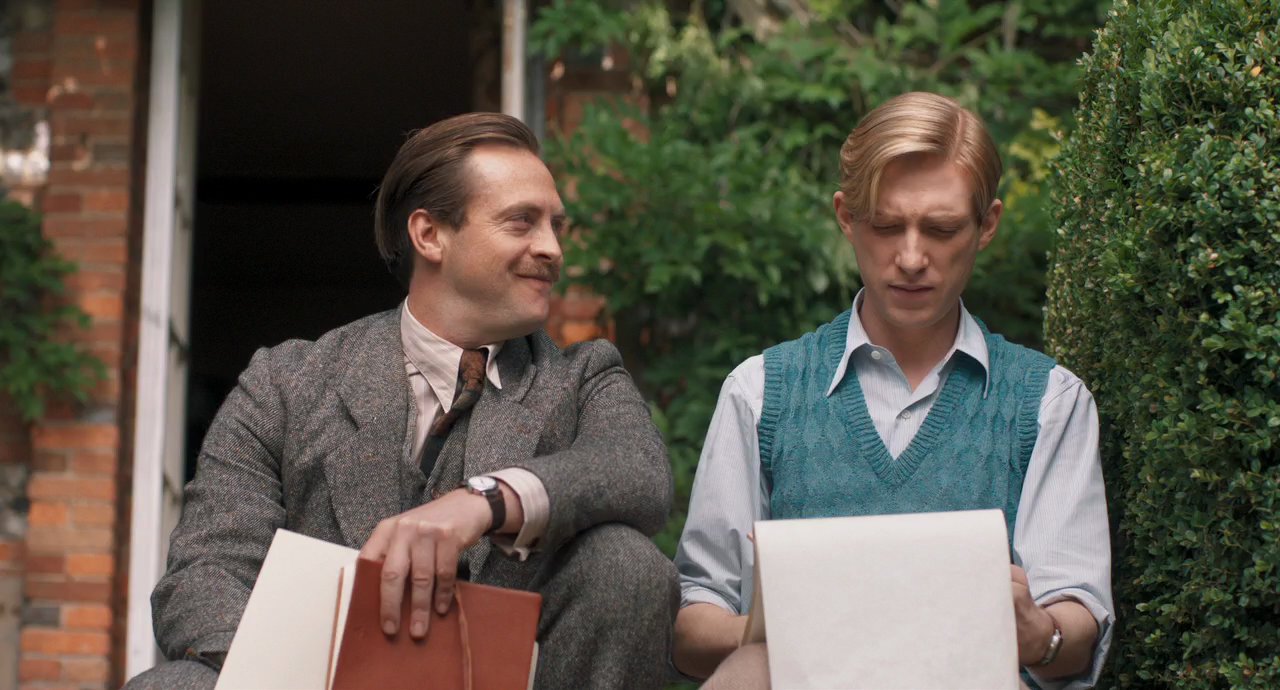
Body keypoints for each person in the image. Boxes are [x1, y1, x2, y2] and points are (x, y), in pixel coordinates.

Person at [127, 113, 678, 690]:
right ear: (429, 235)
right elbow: (205, 571)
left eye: (556, 226)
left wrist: (484, 501)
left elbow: (637, 469)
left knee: (627, 564)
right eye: (523, 222)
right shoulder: (286, 383)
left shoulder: (584, 377)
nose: (552, 249)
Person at [671, 92, 1113, 689]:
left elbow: (1076, 622)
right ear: (846, 217)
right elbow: (692, 625)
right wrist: (785, 629)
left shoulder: (1049, 402)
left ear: (987, 225)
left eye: (941, 229)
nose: (910, 257)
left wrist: (1040, 633)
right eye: (885, 226)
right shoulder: (760, 394)